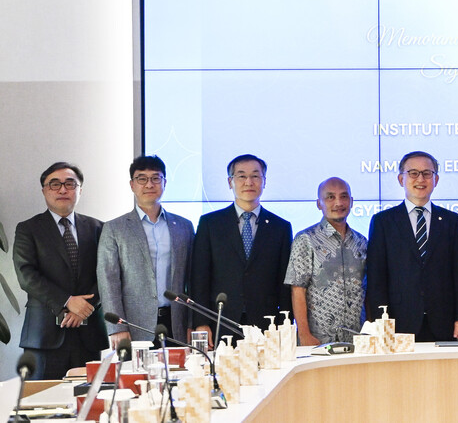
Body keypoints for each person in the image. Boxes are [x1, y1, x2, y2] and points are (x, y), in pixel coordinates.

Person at [13, 162, 107, 379]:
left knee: (88, 395)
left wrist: (84, 307)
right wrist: (67, 301)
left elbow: (107, 273)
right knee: (41, 397)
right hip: (43, 334)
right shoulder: (28, 229)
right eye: (55, 184)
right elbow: (26, 275)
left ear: (80, 190)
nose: (63, 189)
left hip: (89, 334)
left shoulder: (98, 228)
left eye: (70, 184)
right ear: (44, 190)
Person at [365, 151, 458, 342]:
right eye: (413, 173)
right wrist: (381, 322)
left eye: (427, 173)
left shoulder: (451, 221)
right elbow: (376, 277)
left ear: (436, 179)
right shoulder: (383, 222)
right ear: (401, 179)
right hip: (397, 323)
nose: (420, 179)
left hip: (443, 322)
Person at [190, 154, 292, 339]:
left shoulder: (281, 227)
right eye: (241, 176)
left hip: (267, 323)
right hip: (221, 320)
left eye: (255, 176)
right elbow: (200, 277)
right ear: (230, 182)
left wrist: (285, 325)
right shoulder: (210, 224)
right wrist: (201, 322)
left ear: (264, 181)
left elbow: (285, 283)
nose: (249, 182)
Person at [97, 155, 195, 346]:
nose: (149, 184)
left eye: (156, 178)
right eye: (142, 179)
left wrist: (192, 323)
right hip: (134, 326)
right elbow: (108, 281)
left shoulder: (184, 226)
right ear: (132, 185)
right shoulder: (114, 228)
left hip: (177, 324)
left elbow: (193, 279)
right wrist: (117, 327)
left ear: (165, 183)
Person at [284, 177, 368, 346]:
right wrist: (304, 334)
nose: (338, 203)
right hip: (318, 342)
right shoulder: (306, 239)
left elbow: (367, 290)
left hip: (358, 340)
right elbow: (298, 289)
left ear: (351, 201)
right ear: (319, 203)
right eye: (330, 197)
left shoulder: (361, 242)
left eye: (344, 196)